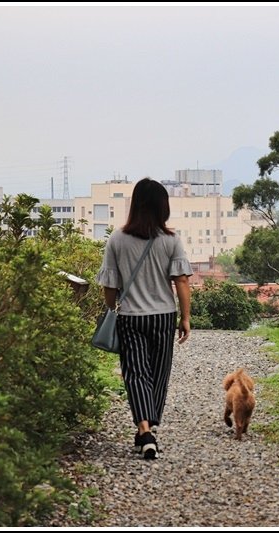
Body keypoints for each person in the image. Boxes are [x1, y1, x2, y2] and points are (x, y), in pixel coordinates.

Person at [96, 178, 192, 459]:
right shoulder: (171, 240)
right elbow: (182, 282)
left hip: (130, 317)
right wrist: (185, 318)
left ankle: (144, 429)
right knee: (158, 374)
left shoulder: (116, 239)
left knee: (136, 373)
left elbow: (110, 287)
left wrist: (114, 305)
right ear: (163, 207)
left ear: (135, 205)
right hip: (163, 316)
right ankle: (149, 429)